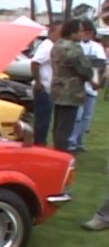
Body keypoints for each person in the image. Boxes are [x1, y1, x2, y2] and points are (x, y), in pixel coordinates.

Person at [50, 19, 95, 151]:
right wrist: (92, 76)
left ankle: (57, 149)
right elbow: (84, 69)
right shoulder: (74, 48)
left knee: (58, 125)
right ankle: (61, 154)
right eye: (80, 31)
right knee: (66, 126)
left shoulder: (57, 44)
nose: (82, 34)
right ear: (72, 32)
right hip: (70, 92)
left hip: (58, 89)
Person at [68, 20, 107, 152]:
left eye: (90, 33)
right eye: (85, 32)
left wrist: (99, 81)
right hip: (78, 86)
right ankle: (72, 142)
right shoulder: (75, 46)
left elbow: (101, 65)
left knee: (87, 116)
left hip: (92, 86)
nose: (87, 35)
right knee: (77, 116)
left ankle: (80, 142)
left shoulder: (97, 47)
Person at [30, 22, 61, 145]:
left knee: (45, 118)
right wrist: (38, 81)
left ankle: (41, 141)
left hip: (49, 87)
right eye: (59, 32)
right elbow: (35, 63)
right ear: (52, 32)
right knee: (42, 118)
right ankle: (39, 142)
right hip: (43, 87)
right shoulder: (47, 46)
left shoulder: (52, 46)